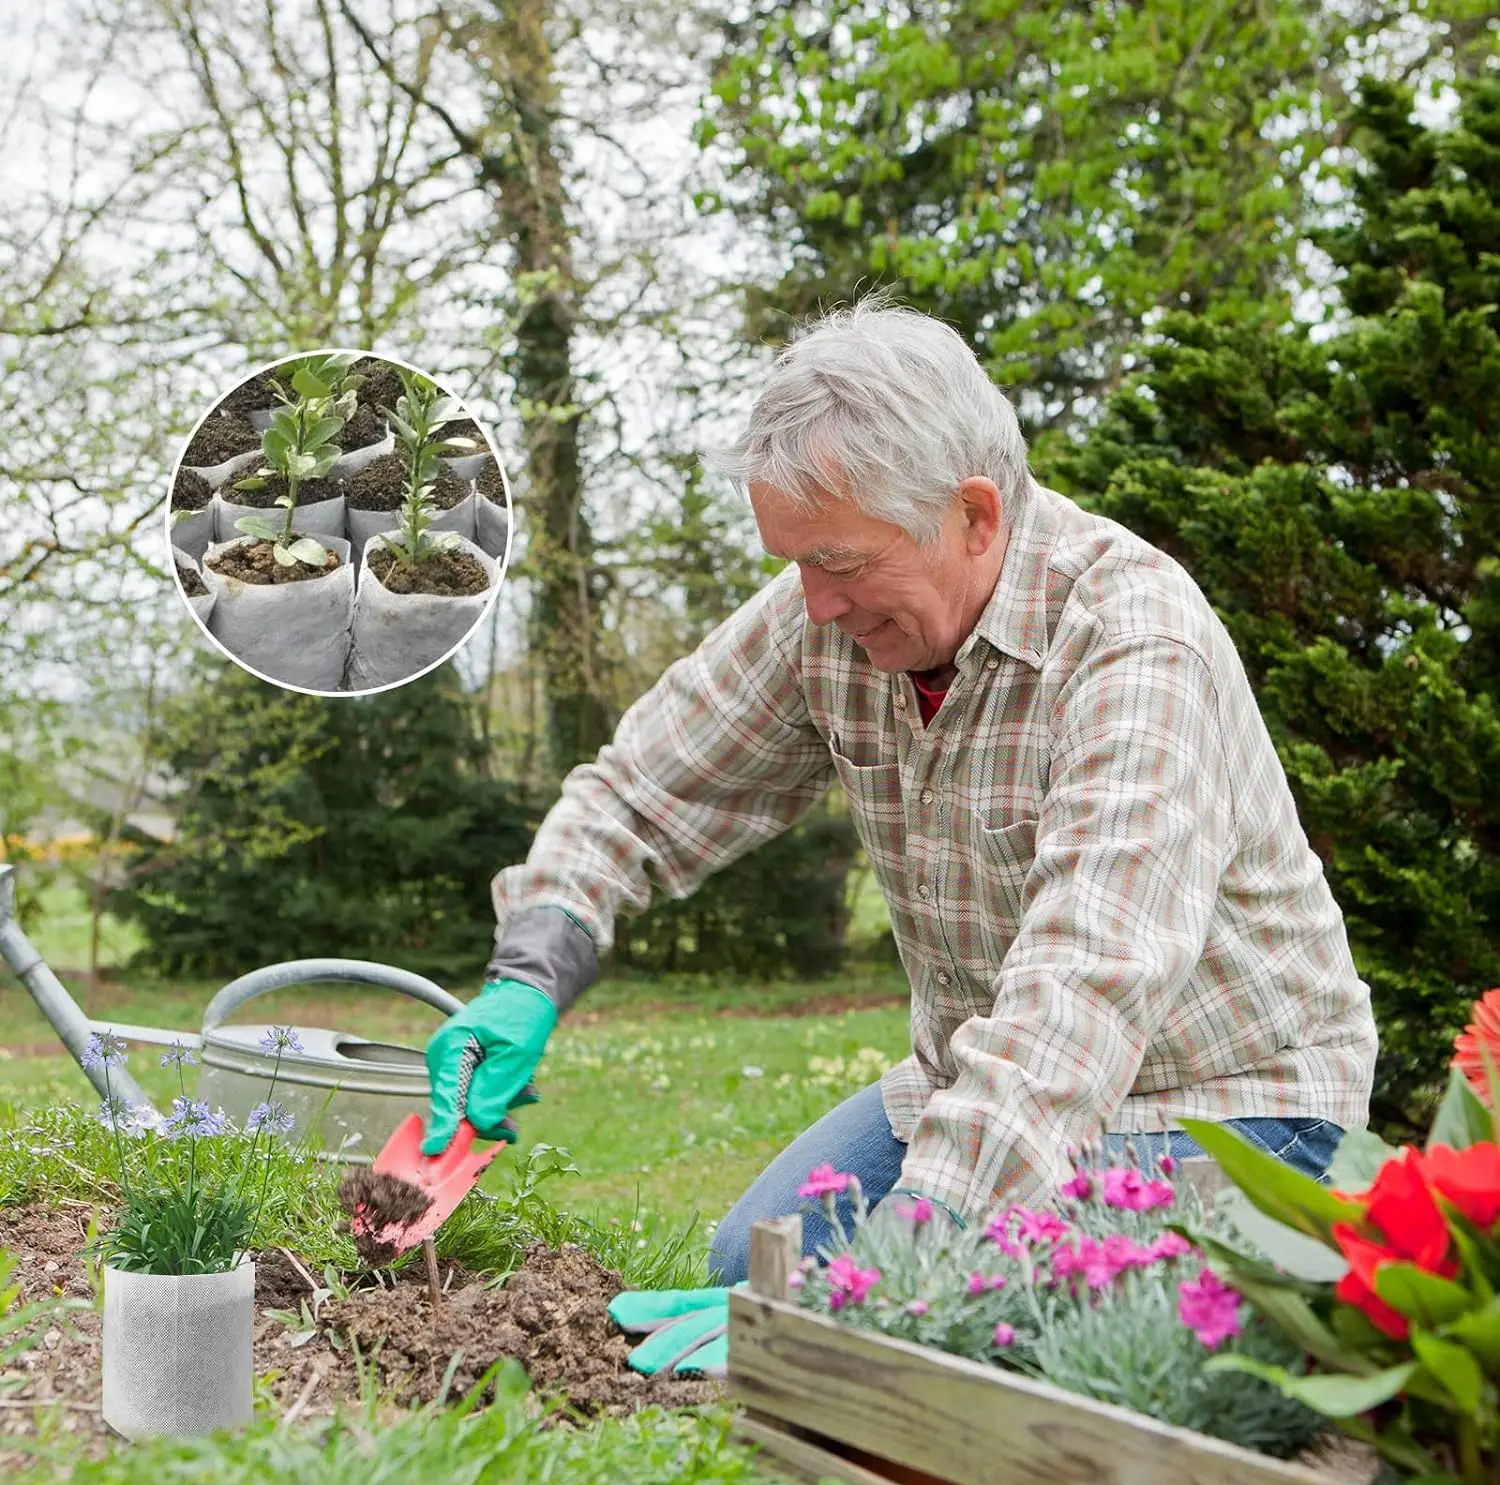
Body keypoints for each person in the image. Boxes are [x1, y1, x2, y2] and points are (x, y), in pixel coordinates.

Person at [421, 295, 1378, 1314]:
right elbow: (641, 790)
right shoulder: (824, 616)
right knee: (755, 1270)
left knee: (978, 1322)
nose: (818, 604)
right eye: (797, 564)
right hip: (981, 1087)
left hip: (1232, 1108)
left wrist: (892, 1278)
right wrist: (532, 964)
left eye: (840, 562)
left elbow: (1083, 993)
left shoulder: (1131, 642)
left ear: (975, 516)